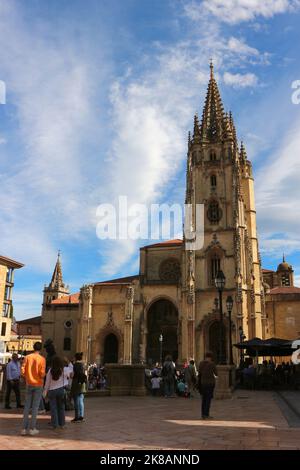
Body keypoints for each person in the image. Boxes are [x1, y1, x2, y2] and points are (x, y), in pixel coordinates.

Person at [21, 341, 46, 436]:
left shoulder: (27, 357)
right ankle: (32, 428)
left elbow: (22, 370)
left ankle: (23, 429)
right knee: (35, 407)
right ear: (40, 349)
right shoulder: (42, 359)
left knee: (27, 406)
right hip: (38, 384)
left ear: (33, 347)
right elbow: (42, 373)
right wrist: (43, 375)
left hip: (29, 383)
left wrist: (27, 376)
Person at [43, 356, 69, 429]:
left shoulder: (50, 371)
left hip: (52, 391)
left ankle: (55, 425)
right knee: (61, 408)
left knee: (53, 408)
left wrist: (45, 393)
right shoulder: (63, 370)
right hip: (61, 390)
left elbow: (47, 383)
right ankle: (62, 424)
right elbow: (71, 370)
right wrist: (68, 362)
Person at [198, 351, 218, 420]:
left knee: (203, 399)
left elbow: (199, 372)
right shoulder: (212, 364)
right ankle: (206, 414)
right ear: (211, 357)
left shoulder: (201, 363)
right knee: (208, 399)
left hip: (203, 383)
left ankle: (203, 414)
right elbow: (216, 373)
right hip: (210, 383)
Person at [71, 352, 87, 423]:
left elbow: (74, 374)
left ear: (75, 358)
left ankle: (77, 417)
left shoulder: (75, 365)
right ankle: (81, 416)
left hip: (76, 384)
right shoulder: (83, 365)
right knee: (81, 400)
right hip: (82, 384)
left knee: (76, 401)